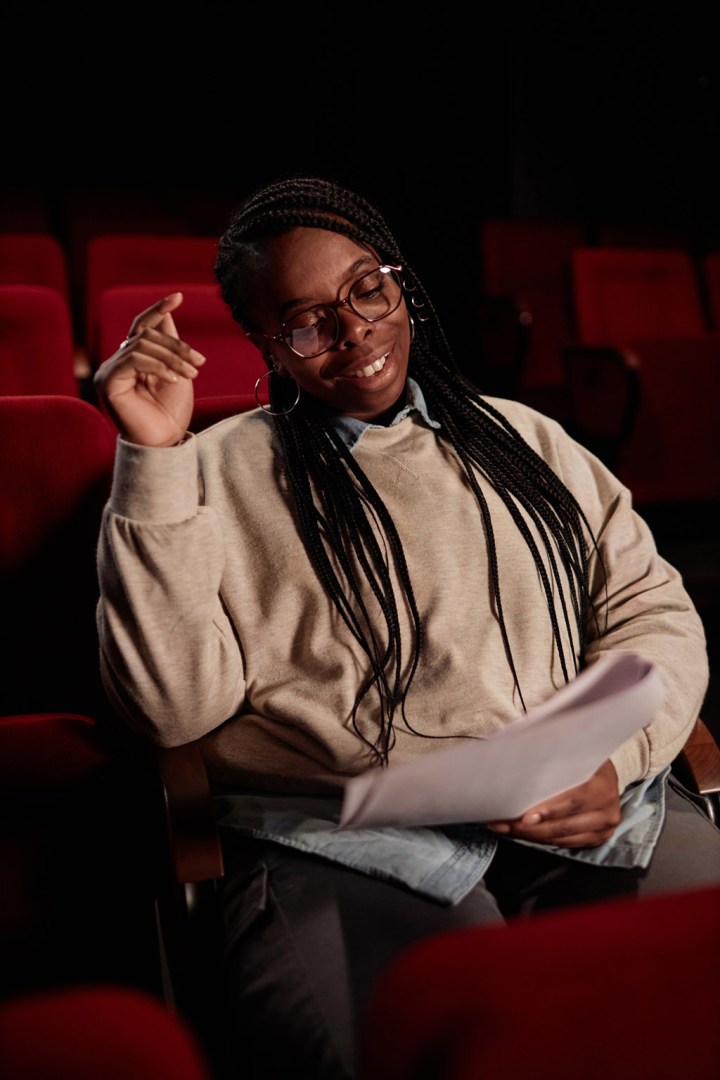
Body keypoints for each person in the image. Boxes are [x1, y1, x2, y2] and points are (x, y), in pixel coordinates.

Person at [93, 175, 720, 1079]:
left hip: (584, 811)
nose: (353, 332)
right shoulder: (209, 472)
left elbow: (652, 612)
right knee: (446, 1045)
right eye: (304, 321)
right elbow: (172, 711)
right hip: (346, 841)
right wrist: (151, 459)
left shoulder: (525, 441)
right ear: (266, 341)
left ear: (400, 284)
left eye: (366, 289)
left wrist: (616, 763)